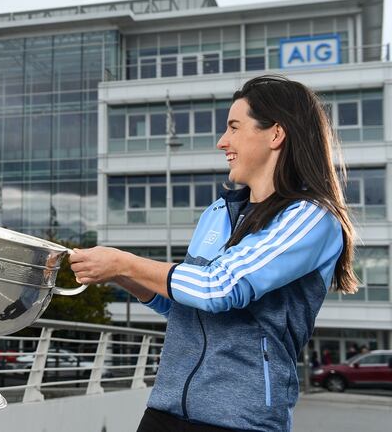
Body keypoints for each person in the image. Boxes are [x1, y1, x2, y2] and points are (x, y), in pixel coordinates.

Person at [70, 75, 357, 432]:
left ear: (276, 134)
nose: (223, 142)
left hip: (239, 421)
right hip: (165, 409)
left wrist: (124, 260)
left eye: (234, 128)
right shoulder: (218, 214)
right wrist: (122, 276)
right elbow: (186, 304)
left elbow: (218, 288)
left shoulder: (312, 218)